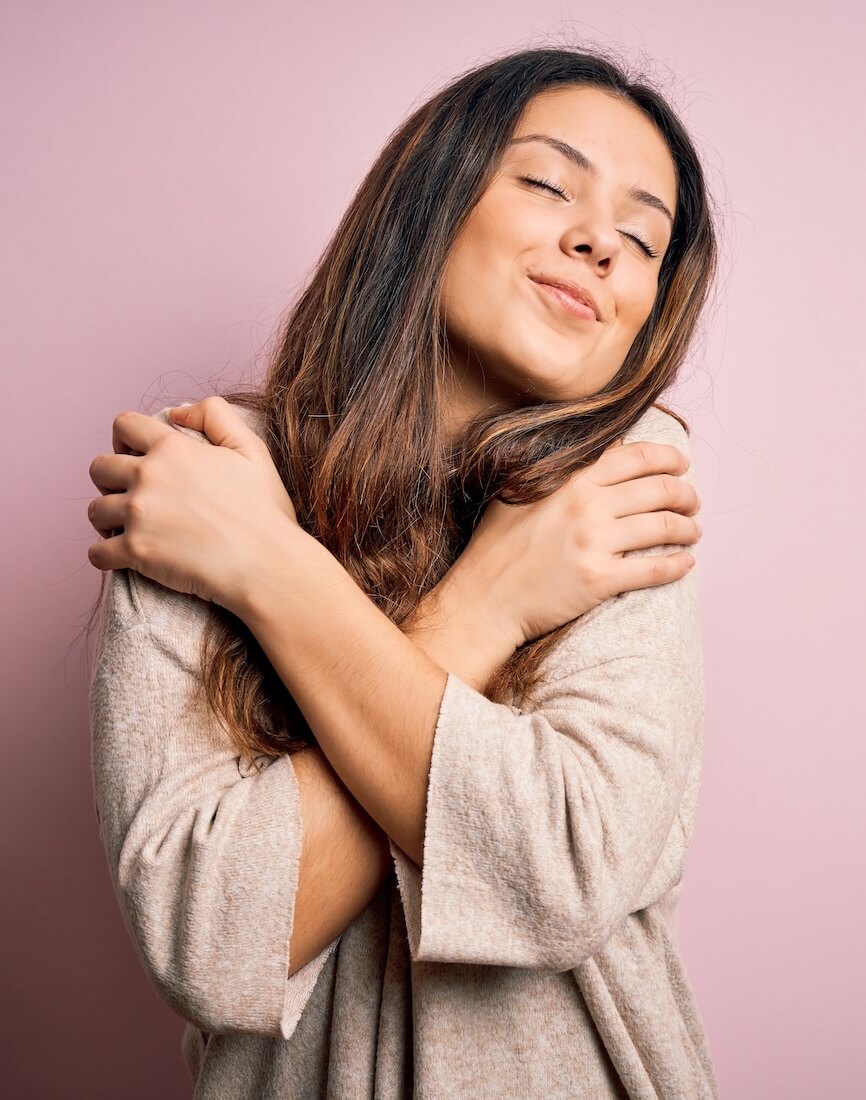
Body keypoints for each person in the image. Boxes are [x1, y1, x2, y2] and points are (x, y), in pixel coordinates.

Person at [86, 45, 720, 1098]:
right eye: (544, 182)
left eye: (642, 237)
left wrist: (263, 567)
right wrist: (484, 607)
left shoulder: (623, 494)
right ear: (428, 201)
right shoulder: (211, 485)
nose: (597, 240)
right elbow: (206, 934)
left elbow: (555, 868)